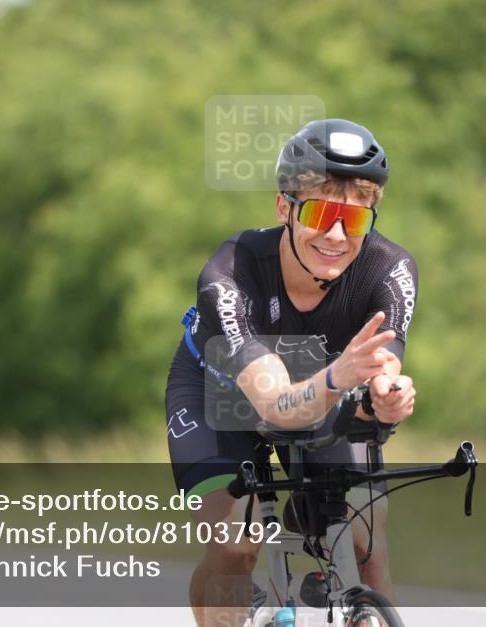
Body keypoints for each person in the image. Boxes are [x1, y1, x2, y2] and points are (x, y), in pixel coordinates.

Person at [166, 119, 419, 627]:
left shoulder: (390, 270)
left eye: (355, 219)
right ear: (284, 207)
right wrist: (339, 376)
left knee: (366, 536)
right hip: (220, 395)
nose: (336, 235)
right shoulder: (230, 272)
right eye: (321, 213)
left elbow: (382, 369)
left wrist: (385, 397)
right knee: (236, 547)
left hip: (323, 389)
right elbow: (275, 404)